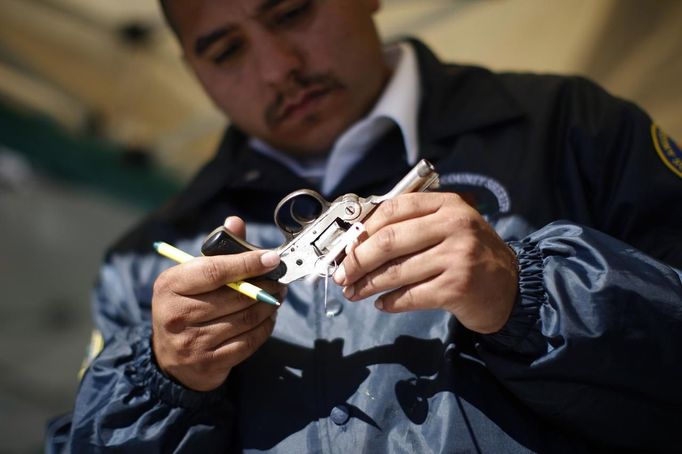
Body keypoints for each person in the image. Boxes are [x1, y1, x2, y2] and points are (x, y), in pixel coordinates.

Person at [47, 0, 682, 452]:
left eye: (292, 12)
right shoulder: (140, 262)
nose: (278, 68)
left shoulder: (572, 126)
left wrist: (527, 296)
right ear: (192, 69)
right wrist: (167, 380)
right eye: (226, 50)